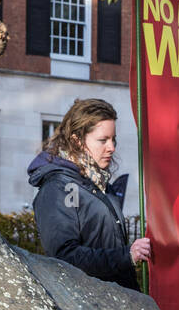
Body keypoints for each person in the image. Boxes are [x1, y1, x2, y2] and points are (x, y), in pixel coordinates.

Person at [27, 98, 150, 290]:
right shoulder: (60, 187)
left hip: (119, 303)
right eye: (103, 140)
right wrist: (126, 256)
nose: (111, 147)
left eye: (113, 139)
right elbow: (65, 257)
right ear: (77, 141)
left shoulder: (101, 184)